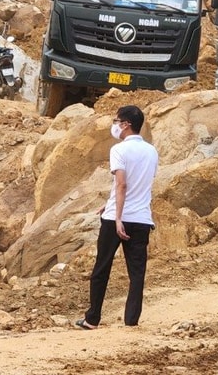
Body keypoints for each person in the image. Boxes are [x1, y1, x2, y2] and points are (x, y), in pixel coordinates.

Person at [76, 105, 158, 330]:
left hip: (117, 220)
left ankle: (92, 318)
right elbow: (140, 184)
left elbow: (122, 183)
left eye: (116, 121)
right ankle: (132, 320)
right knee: (137, 272)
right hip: (141, 218)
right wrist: (109, 203)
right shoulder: (152, 151)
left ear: (126, 124)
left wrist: (118, 216)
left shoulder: (119, 150)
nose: (114, 125)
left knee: (102, 267)